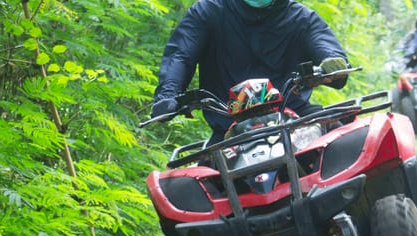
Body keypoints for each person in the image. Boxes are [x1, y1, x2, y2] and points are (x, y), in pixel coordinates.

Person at [150, 0, 350, 143]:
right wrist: (167, 96)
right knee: (192, 191)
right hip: (230, 128)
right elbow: (181, 55)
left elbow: (326, 47)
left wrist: (332, 65)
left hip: (296, 119)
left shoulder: (301, 18)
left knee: (346, 145)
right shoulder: (208, 12)